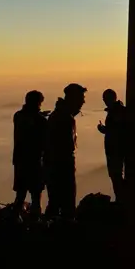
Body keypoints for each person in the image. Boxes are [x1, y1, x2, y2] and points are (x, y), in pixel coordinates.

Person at [44, 83, 87, 219]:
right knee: (63, 203)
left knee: (56, 202)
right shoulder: (64, 118)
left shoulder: (60, 115)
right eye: (81, 98)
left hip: (56, 166)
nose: (83, 102)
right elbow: (63, 147)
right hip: (61, 167)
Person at [12, 90, 48, 217]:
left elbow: (28, 122)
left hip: (20, 161)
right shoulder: (41, 121)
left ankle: (15, 219)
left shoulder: (18, 116)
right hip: (35, 162)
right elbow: (43, 139)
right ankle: (35, 221)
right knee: (36, 196)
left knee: (20, 195)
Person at [97, 88, 128, 203]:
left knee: (116, 175)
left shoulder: (117, 112)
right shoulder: (118, 111)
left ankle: (121, 199)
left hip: (116, 150)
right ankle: (121, 199)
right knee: (116, 175)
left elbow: (117, 130)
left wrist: (105, 130)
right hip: (116, 149)